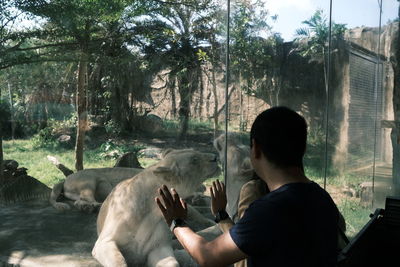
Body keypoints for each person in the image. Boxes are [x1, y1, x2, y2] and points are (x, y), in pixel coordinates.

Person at [155, 106, 341, 267]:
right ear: (303, 149)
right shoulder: (322, 199)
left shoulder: (271, 209)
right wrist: (221, 215)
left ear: (256, 148)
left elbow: (208, 257)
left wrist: (176, 222)